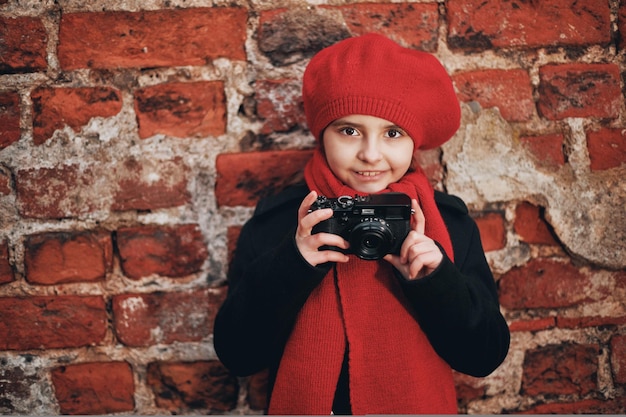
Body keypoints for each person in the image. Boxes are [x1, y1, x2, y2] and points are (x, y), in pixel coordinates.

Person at [214, 33, 510, 415]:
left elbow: (483, 356)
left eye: (392, 133)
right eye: (349, 130)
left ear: (413, 142)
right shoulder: (278, 223)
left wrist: (436, 279)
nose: (370, 154)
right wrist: (293, 262)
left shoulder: (447, 225)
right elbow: (238, 356)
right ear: (323, 133)